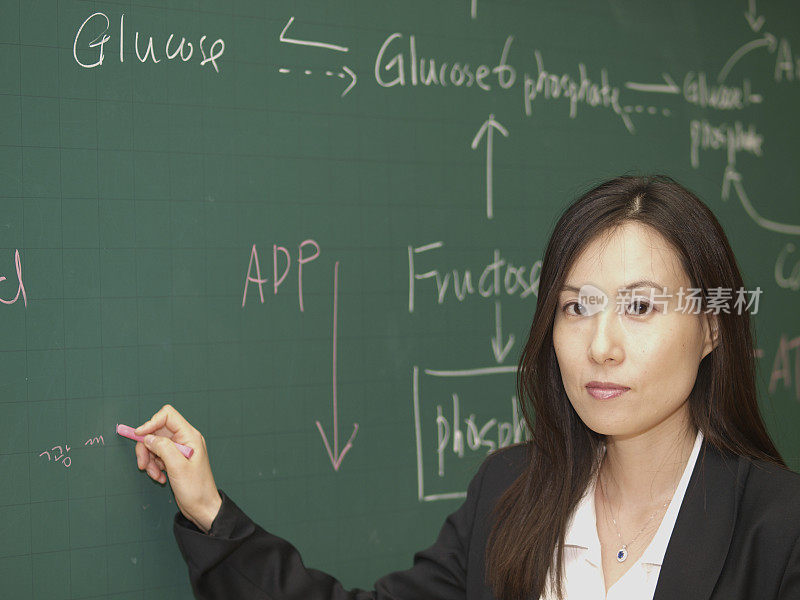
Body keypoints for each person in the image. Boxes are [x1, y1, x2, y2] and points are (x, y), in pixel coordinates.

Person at [131, 174, 800, 600]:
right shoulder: (509, 491)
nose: (601, 345)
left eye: (641, 307)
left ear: (712, 328)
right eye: (576, 307)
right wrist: (211, 513)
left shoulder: (779, 527)